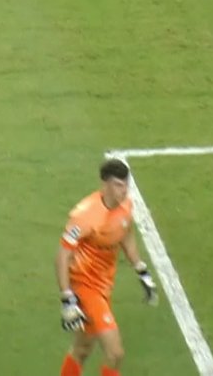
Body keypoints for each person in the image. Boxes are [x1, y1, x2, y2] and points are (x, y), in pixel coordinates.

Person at [55, 158, 159, 376]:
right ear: (105, 184)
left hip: (104, 285)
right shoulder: (84, 216)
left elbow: (125, 232)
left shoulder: (125, 206)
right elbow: (63, 255)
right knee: (115, 353)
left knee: (82, 348)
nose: (124, 191)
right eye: (119, 185)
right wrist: (67, 298)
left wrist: (141, 269)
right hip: (85, 286)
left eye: (126, 185)